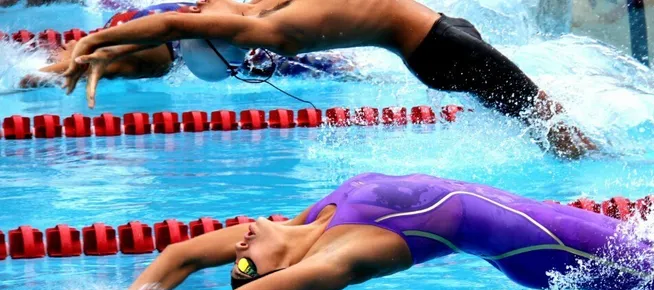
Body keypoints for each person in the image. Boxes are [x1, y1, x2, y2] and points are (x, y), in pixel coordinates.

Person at [124, 172, 654, 290]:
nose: (239, 246)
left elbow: (177, 257)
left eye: (235, 260)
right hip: (544, 247)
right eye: (245, 266)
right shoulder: (345, 257)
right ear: (282, 277)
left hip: (530, 226)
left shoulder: (307, 222)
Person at [61, 0, 597, 158]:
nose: (202, 3)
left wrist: (106, 48)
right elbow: (175, 24)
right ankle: (599, 162)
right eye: (206, 11)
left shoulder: (261, 8)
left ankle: (587, 153)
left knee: (536, 118)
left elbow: (179, 21)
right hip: (435, 47)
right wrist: (91, 43)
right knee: (548, 120)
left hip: (439, 33)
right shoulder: (262, 27)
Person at [20, 1, 355, 88]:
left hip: (147, 38)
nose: (202, 2)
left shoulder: (259, 45)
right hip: (144, 32)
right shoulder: (258, 41)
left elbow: (167, 27)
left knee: (105, 62)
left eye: (203, 8)